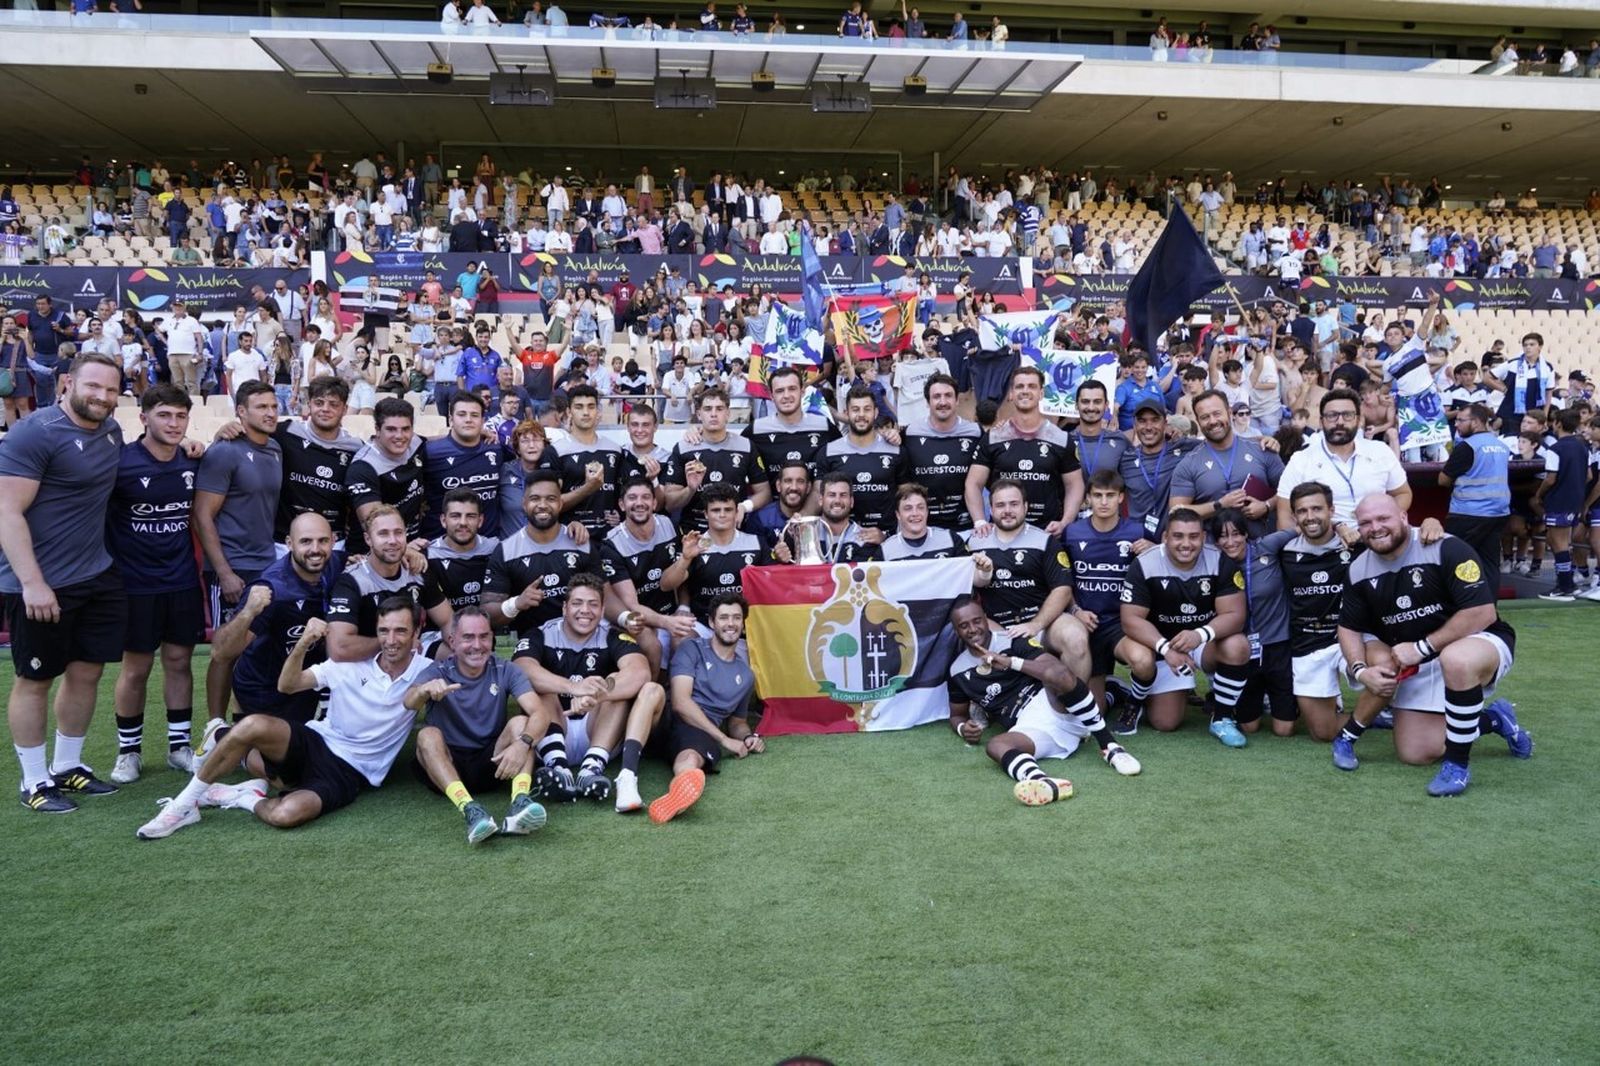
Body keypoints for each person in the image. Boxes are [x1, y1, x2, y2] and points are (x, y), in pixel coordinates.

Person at [135, 598, 433, 838]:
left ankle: (244, 797)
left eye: (400, 631)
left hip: (350, 772)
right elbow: (288, 685)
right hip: (316, 741)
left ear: (416, 633)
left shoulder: (427, 670)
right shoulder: (349, 663)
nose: (390, 640)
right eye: (384, 630)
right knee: (252, 724)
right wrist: (303, 643)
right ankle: (184, 805)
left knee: (285, 814)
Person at [1333, 494, 1531, 796]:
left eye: (1383, 518)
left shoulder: (1446, 547)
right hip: (1418, 658)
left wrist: (1422, 648)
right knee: (1416, 752)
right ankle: (1494, 719)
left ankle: (1457, 766)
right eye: (1366, 523)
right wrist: (1360, 670)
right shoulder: (1359, 569)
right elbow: (1348, 627)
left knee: (1457, 659)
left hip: (1476, 641)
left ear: (1403, 517)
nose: (1375, 527)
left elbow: (1482, 612)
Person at [0, 352, 127, 812]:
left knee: (87, 671)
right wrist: (33, 583)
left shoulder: (111, 431)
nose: (102, 396)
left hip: (95, 574)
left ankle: (68, 766)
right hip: (39, 582)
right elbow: (6, 511)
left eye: (111, 389)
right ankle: (34, 781)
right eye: (93, 386)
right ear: (67, 384)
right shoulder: (35, 432)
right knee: (35, 679)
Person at [947, 595, 1140, 809]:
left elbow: (1054, 670)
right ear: (956, 630)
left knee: (1059, 675)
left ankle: (1111, 747)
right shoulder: (957, 671)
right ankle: (1043, 782)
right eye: (964, 625)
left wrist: (1011, 662)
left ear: (985, 618)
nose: (973, 629)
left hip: (1054, 704)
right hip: (1029, 726)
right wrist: (963, 728)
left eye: (976, 621)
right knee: (995, 745)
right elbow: (957, 715)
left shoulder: (1012, 639)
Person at [107, 385, 205, 783]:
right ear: (144, 418)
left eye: (181, 416)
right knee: (136, 668)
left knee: (179, 662)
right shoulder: (121, 463)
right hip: (134, 584)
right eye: (164, 415)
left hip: (181, 580)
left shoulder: (193, 460)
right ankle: (128, 752)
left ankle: (179, 747)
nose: (174, 423)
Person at [512, 573, 664, 806]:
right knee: (540, 686)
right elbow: (520, 670)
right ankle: (558, 768)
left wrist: (597, 695)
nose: (585, 610)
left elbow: (640, 672)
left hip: (599, 731)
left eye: (593, 604)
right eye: (577, 603)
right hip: (552, 727)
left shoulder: (612, 635)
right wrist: (574, 688)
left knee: (614, 683)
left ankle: (591, 769)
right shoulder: (540, 633)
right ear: (564, 608)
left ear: (602, 611)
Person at [405, 607, 552, 845]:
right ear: (452, 641)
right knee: (427, 735)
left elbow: (540, 713)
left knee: (521, 723)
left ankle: (520, 802)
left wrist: (522, 744)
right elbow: (409, 702)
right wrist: (423, 691)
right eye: (468, 637)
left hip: (492, 762)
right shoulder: (437, 671)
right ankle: (469, 809)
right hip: (447, 764)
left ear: (492, 638)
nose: (477, 645)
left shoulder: (505, 669)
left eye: (484, 636)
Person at [1118, 507, 1253, 746]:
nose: (1186, 544)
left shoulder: (1218, 560)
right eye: (1178, 536)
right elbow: (1131, 619)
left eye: (1193, 536)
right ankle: (1129, 692)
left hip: (1202, 642)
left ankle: (1222, 718)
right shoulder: (1145, 563)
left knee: (1238, 645)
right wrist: (1166, 649)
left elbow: (1235, 615)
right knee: (1165, 722)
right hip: (1161, 644)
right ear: (1165, 537)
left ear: (1203, 537)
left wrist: (1200, 634)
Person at [634, 592, 761, 824]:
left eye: (736, 618)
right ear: (712, 622)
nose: (731, 623)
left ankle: (678, 795)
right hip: (665, 719)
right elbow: (681, 702)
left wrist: (748, 737)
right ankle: (628, 771)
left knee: (691, 758)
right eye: (724, 618)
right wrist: (724, 740)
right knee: (653, 693)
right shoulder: (691, 648)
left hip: (698, 732)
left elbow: (737, 722)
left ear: (743, 624)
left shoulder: (746, 675)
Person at [206, 513, 339, 729]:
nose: (315, 549)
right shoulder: (273, 588)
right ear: (289, 543)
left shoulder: (337, 564)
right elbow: (221, 653)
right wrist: (248, 612)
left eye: (322, 540)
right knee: (273, 751)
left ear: (333, 541)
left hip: (301, 687)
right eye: (306, 541)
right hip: (265, 690)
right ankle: (217, 734)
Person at [962, 479, 1090, 677]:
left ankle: (1077, 696)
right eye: (1000, 505)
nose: (1007, 511)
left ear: (1026, 506)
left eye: (1014, 504)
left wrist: (1035, 625)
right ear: (991, 509)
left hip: (1043, 623)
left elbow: (1063, 590)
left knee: (1076, 639)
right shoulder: (974, 543)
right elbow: (964, 590)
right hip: (995, 626)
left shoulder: (1045, 541)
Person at [1063, 470, 1157, 733]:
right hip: (1086, 624)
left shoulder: (1137, 531)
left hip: (1120, 625)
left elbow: (1167, 566)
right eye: (1098, 495)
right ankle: (1113, 690)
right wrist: (1076, 610)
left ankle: (1134, 705)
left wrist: (1154, 551)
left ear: (1121, 498)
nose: (1104, 502)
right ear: (1087, 499)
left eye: (1110, 495)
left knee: (1143, 662)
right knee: (1094, 712)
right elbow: (1062, 581)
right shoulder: (1072, 533)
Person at [965, 366, 1084, 535]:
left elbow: (1075, 484)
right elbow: (973, 483)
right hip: (1001, 533)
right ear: (1011, 394)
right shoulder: (993, 437)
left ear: (1041, 393)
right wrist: (979, 521)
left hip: (1046, 533)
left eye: (1032, 386)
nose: (1025, 391)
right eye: (1020, 386)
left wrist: (1065, 522)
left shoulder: (1061, 438)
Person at [327, 506, 451, 662]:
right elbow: (339, 648)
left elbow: (447, 620)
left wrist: (462, 646)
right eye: (383, 534)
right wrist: (399, 643)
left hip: (413, 652)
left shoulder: (416, 570)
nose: (392, 540)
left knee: (460, 655)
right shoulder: (352, 580)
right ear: (368, 539)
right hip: (367, 660)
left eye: (398, 533)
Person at [1274, 388, 1409, 529]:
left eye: (1347, 415)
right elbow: (1285, 515)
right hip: (1324, 538)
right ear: (1321, 422)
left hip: (1377, 534)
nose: (1340, 422)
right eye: (1332, 415)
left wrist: (1381, 520)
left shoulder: (1380, 451)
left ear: (1358, 420)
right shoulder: (1301, 460)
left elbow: (1402, 493)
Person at [483, 471, 600, 634]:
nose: (542, 505)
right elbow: (487, 614)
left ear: (560, 504)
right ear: (524, 504)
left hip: (579, 638)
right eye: (535, 499)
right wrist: (516, 604)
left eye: (550, 499)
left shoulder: (580, 542)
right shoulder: (506, 550)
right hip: (529, 641)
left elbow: (605, 598)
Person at [1168, 388, 1283, 538]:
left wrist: (1267, 505)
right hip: (1213, 548)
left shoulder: (1262, 449)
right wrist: (1219, 505)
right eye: (1205, 417)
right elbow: (1176, 513)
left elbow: (1290, 491)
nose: (1212, 421)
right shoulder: (1188, 464)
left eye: (1217, 414)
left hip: (1261, 544)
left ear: (1229, 412)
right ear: (1198, 421)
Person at [660, 387, 758, 532]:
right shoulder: (683, 448)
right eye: (707, 409)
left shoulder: (746, 446)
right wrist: (690, 489)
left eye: (719, 409)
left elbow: (764, 492)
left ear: (728, 413)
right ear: (699, 414)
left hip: (735, 530)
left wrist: (744, 506)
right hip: (694, 531)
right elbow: (670, 504)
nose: (713, 414)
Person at [1439, 402, 1511, 593]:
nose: (1456, 424)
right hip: (1498, 514)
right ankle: (1489, 605)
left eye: (1461, 420)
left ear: (1477, 422)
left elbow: (1443, 480)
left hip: (1468, 513)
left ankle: (1459, 603)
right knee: (1490, 564)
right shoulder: (1501, 446)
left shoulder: (1467, 447)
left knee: (1455, 560)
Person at [551, 384, 639, 538]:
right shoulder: (556, 451)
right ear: (569, 412)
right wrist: (588, 488)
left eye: (591, 407)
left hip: (609, 541)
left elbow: (626, 494)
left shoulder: (615, 450)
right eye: (579, 407)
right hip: (570, 539)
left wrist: (621, 514)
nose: (586, 412)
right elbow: (551, 504)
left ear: (597, 411)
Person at [897, 372, 981, 531]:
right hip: (922, 528)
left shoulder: (975, 433)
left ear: (957, 400)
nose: (943, 402)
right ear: (927, 402)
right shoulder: (910, 434)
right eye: (936, 397)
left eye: (948, 396)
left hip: (966, 527)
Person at [345, 397, 427, 553]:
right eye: (391, 429)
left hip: (411, 543)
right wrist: (405, 550)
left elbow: (436, 441)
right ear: (377, 429)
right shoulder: (363, 467)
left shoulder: (415, 443)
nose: (399, 436)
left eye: (405, 429)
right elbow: (374, 525)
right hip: (375, 553)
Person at [817, 385, 901, 533]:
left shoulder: (896, 450)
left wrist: (887, 535)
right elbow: (819, 495)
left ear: (876, 412)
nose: (861, 415)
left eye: (867, 409)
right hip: (841, 537)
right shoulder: (828, 452)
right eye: (855, 409)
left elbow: (905, 495)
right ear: (846, 413)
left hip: (886, 537)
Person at [420, 390, 501, 538]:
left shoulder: (496, 449)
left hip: (488, 544)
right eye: (462, 414)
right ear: (451, 419)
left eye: (474, 415)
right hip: (441, 543)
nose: (468, 420)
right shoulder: (430, 452)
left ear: (483, 421)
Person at [745, 365, 839, 492]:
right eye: (780, 391)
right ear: (771, 395)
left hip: (816, 502)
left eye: (792, 389)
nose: (786, 395)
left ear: (802, 391)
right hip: (772, 503)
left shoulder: (824, 426)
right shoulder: (756, 429)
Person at [1531, 407, 1590, 601]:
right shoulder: (1583, 447)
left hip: (1558, 500)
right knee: (1561, 541)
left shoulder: (1555, 449)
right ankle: (1568, 584)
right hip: (1575, 500)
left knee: (1559, 543)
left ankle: (1564, 587)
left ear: (1558, 424)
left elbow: (1550, 479)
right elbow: (1589, 476)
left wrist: (1538, 495)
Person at [1117, 399, 1199, 537]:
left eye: (1155, 420)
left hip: (1173, 540)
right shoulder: (1126, 459)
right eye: (1142, 421)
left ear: (1165, 424)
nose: (1148, 427)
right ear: (1134, 425)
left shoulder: (1184, 448)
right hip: (1137, 541)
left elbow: (1216, 443)